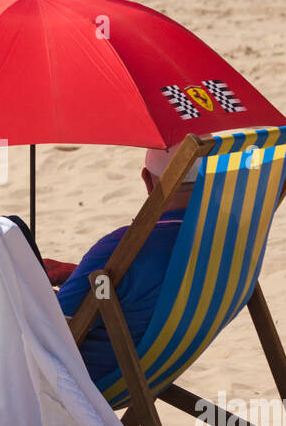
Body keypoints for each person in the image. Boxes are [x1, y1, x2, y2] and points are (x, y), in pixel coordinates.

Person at [56, 145, 198, 384]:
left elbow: (51, 327)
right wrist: (78, 276)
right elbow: (150, 284)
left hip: (84, 379)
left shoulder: (124, 247)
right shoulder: (225, 237)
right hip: (159, 366)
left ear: (147, 180)